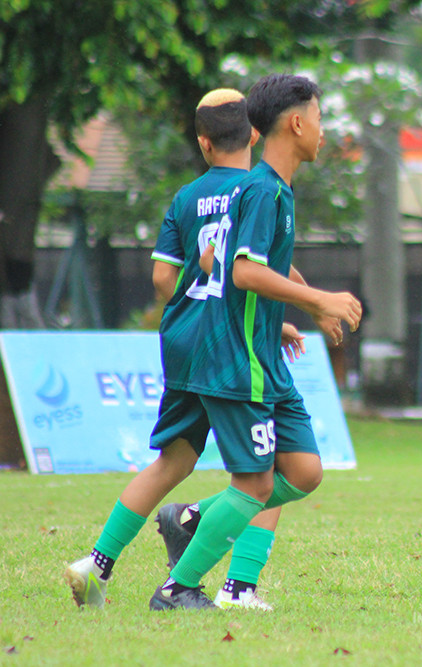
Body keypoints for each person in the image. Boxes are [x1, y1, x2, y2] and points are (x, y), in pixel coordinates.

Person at [64, 88, 291, 611]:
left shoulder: (185, 199)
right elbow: (259, 270)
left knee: (172, 462)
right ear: (255, 134)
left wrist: (200, 304)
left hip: (185, 342)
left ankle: (96, 565)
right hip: (235, 349)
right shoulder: (260, 192)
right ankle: (237, 586)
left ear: (203, 143)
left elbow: (163, 276)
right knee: (264, 470)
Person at [148, 73, 362, 610]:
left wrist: (302, 306)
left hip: (267, 355)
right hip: (244, 360)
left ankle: (192, 518)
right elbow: (242, 272)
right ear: (296, 122)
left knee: (304, 472)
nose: (322, 130)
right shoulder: (262, 189)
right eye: (319, 118)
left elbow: (256, 266)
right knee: (258, 482)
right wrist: (316, 302)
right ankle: (185, 589)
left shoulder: (276, 189)